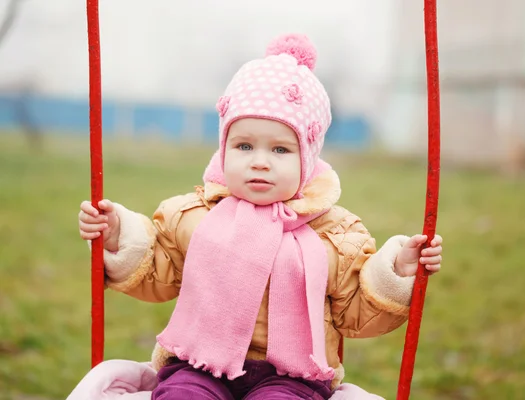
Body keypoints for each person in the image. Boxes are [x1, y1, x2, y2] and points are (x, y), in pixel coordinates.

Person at [78, 33, 443, 400]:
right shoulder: (194, 216)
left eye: (281, 149)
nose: (259, 161)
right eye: (244, 145)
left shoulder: (335, 234)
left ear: (308, 158)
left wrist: (397, 270)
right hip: (199, 364)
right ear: (224, 148)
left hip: (292, 377)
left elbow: (356, 313)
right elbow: (159, 270)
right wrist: (116, 234)